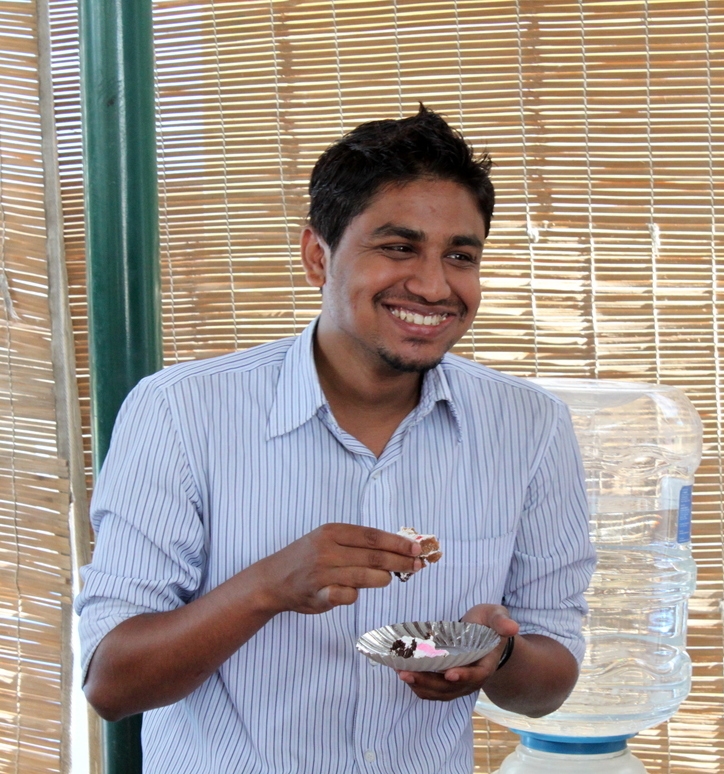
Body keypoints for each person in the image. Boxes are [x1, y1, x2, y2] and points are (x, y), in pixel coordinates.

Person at [76, 106, 596, 773]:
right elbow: (112, 683)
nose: (435, 286)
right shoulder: (182, 412)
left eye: (460, 256)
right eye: (398, 247)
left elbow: (549, 683)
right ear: (317, 256)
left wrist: (497, 657)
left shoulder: (530, 428)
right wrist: (266, 587)